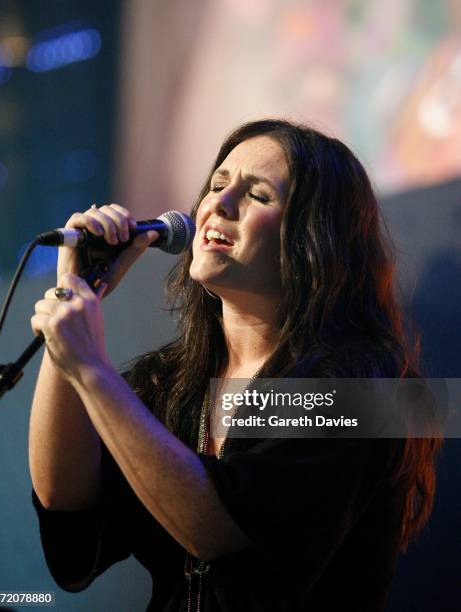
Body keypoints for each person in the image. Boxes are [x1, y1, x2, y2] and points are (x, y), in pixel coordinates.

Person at [29, 119, 441, 612]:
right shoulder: (169, 382)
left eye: (259, 195)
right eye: (218, 184)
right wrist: (75, 295)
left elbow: (222, 530)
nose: (218, 205)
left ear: (314, 237)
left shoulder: (368, 386)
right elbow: (67, 504)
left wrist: (92, 370)